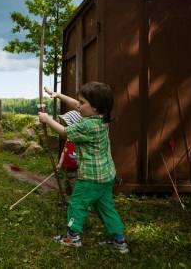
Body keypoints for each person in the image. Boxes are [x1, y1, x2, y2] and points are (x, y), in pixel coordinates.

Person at [40, 82, 129, 253]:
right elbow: (76, 105)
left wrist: (47, 120)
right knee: (106, 207)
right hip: (106, 175)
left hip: (91, 178)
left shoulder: (87, 125)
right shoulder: (101, 118)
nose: (78, 105)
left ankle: (72, 237)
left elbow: (65, 132)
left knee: (77, 203)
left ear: (94, 107)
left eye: (82, 102)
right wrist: (58, 95)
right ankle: (119, 241)